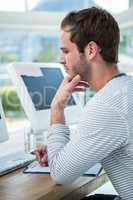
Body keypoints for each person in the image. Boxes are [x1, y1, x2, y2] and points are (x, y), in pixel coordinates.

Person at [35, 7, 133, 200]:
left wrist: (57, 108)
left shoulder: (107, 104)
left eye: (65, 51)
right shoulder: (125, 88)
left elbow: (60, 174)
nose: (61, 59)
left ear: (90, 50)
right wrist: (69, 151)